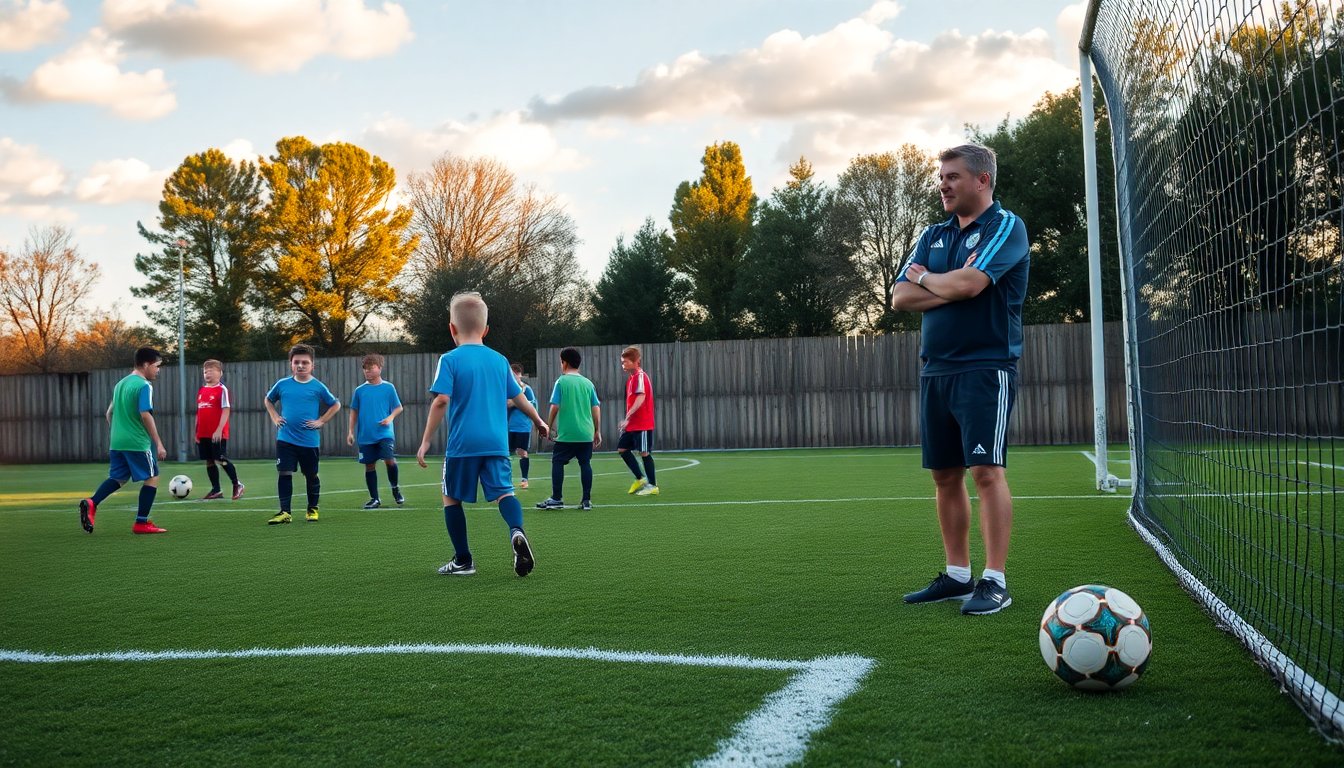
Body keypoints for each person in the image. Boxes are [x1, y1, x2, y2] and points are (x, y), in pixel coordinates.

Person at [890, 142, 1030, 616]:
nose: (943, 184)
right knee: (944, 476)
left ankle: (995, 580)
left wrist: (931, 277)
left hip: (985, 368)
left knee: (986, 472)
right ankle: (956, 576)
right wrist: (947, 282)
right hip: (936, 369)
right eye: (942, 176)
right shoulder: (933, 233)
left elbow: (970, 285)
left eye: (952, 176)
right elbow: (899, 298)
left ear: (981, 180)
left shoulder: (1006, 227)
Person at [415, 291, 549, 577]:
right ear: (486, 330)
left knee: (451, 497)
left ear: (452, 329)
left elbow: (440, 400)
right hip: (497, 443)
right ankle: (516, 531)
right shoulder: (500, 360)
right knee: (505, 494)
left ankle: (463, 560)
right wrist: (538, 419)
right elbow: (519, 396)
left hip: (463, 444)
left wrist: (426, 440)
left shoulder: (449, 360)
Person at [78, 346, 169, 535]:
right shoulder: (144, 386)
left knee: (118, 478)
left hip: (117, 442)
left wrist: (119, 431)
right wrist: (158, 443)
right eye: (157, 365)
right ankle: (141, 523)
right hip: (137, 442)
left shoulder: (121, 384)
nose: (158, 370)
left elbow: (108, 413)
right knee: (152, 477)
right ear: (146, 364)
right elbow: (145, 415)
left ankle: (92, 502)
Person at [264, 344, 340, 525]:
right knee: (284, 473)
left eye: (305, 362)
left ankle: (312, 509)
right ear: (291, 364)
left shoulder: (318, 387)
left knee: (311, 475)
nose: (300, 366)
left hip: (309, 441)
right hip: (285, 439)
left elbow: (335, 404)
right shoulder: (282, 385)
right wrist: (275, 416)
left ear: (312, 365)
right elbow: (268, 399)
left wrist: (321, 420)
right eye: (296, 362)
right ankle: (285, 512)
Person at [536, 347, 601, 511]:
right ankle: (586, 500)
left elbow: (554, 407)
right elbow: (596, 408)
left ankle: (557, 498)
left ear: (564, 363)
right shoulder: (588, 384)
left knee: (557, 461)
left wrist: (548, 427)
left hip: (567, 434)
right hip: (585, 433)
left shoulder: (561, 382)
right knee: (585, 463)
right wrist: (597, 430)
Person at [347, 353, 405, 509]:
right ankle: (375, 499)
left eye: (370, 368)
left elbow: (398, 407)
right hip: (365, 436)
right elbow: (354, 411)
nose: (367, 371)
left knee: (390, 460)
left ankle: (395, 489)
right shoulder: (359, 391)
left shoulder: (388, 388)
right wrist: (351, 431)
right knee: (369, 466)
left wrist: (390, 418)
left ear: (379, 368)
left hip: (384, 434)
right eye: (365, 369)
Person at [195, 359, 244, 501]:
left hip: (217, 433)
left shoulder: (222, 390)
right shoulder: (202, 390)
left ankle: (237, 484)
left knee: (220, 458)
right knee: (209, 460)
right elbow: (199, 412)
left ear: (220, 373)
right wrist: (196, 431)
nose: (207, 373)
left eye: (211, 370)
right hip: (203, 433)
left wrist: (219, 429)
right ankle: (216, 490)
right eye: (205, 371)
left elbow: (226, 410)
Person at [616, 345, 658, 496]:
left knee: (644, 452)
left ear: (636, 362)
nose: (623, 365)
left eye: (626, 362)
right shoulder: (631, 378)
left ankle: (653, 485)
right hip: (633, 424)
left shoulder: (640, 376)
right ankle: (640, 478)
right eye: (622, 362)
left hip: (642, 424)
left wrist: (627, 418)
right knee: (622, 449)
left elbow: (641, 398)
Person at [506, 363, 538, 490]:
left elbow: (532, 405)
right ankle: (506, 480)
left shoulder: (527, 390)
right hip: (509, 427)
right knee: (506, 454)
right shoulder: (507, 390)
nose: (514, 378)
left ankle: (525, 479)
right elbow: (505, 405)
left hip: (523, 427)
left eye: (516, 375)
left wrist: (516, 402)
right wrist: (514, 402)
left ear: (520, 375)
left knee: (523, 452)